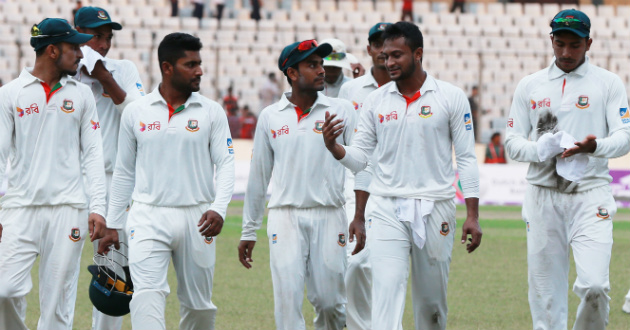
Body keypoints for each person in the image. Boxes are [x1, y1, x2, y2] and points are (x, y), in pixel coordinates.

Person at [322, 22, 482, 330]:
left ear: (418, 53)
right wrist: (336, 148)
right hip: (386, 208)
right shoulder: (376, 101)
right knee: (386, 298)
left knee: (432, 307)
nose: (389, 62)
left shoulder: (450, 97)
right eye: (385, 55)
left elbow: (466, 158)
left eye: (397, 55)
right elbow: (362, 161)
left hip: (437, 206)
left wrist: (472, 214)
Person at [98, 33, 235, 330]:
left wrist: (219, 208)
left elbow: (225, 164)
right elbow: (124, 172)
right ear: (167, 67)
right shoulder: (136, 111)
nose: (200, 70)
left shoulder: (212, 111)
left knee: (199, 307)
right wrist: (112, 224)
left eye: (199, 63)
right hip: (147, 214)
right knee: (146, 295)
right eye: (191, 64)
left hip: (197, 217)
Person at [505, 9, 630, 330]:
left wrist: (595, 147)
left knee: (595, 286)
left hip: (590, 195)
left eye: (574, 45)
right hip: (542, 195)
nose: (565, 52)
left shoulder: (608, 83)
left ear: (588, 43)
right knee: (546, 296)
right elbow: (512, 143)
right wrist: (540, 149)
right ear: (551, 41)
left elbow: (625, 137)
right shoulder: (530, 85)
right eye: (559, 43)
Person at [238, 39, 356, 330]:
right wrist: (249, 230)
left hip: (330, 214)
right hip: (285, 216)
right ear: (292, 73)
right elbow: (258, 177)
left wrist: (361, 214)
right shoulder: (270, 117)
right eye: (312, 65)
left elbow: (361, 163)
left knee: (331, 303)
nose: (321, 70)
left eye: (321, 64)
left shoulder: (342, 110)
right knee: (287, 301)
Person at [0, 18, 107, 329]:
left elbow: (94, 155)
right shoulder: (10, 94)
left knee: (58, 308)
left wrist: (97, 207)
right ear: (51, 50)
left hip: (68, 210)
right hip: (20, 209)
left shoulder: (83, 95)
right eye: (73, 47)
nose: (80, 53)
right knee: (4, 292)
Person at [73, 6, 146, 330]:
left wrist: (105, 77)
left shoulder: (123, 69)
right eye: (95, 37)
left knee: (111, 270)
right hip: (73, 182)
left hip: (115, 181)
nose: (103, 44)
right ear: (78, 36)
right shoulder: (66, 72)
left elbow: (141, 116)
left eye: (107, 37)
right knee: (62, 268)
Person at [336, 21, 392, 330]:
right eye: (377, 43)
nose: (383, 50)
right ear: (369, 48)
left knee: (387, 266)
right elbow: (344, 140)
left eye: (388, 43)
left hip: (396, 184)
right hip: (356, 183)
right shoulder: (351, 89)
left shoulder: (408, 85)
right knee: (356, 261)